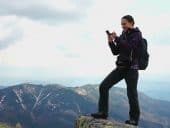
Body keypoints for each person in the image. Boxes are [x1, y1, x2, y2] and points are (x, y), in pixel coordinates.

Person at [91, 15, 142, 126]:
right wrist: (110, 42)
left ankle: (134, 119)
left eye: (124, 24)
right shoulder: (123, 35)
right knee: (104, 86)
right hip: (121, 67)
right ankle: (103, 112)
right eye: (121, 24)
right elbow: (116, 52)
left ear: (131, 23)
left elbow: (130, 48)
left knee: (131, 94)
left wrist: (117, 38)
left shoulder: (137, 34)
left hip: (132, 69)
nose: (122, 26)